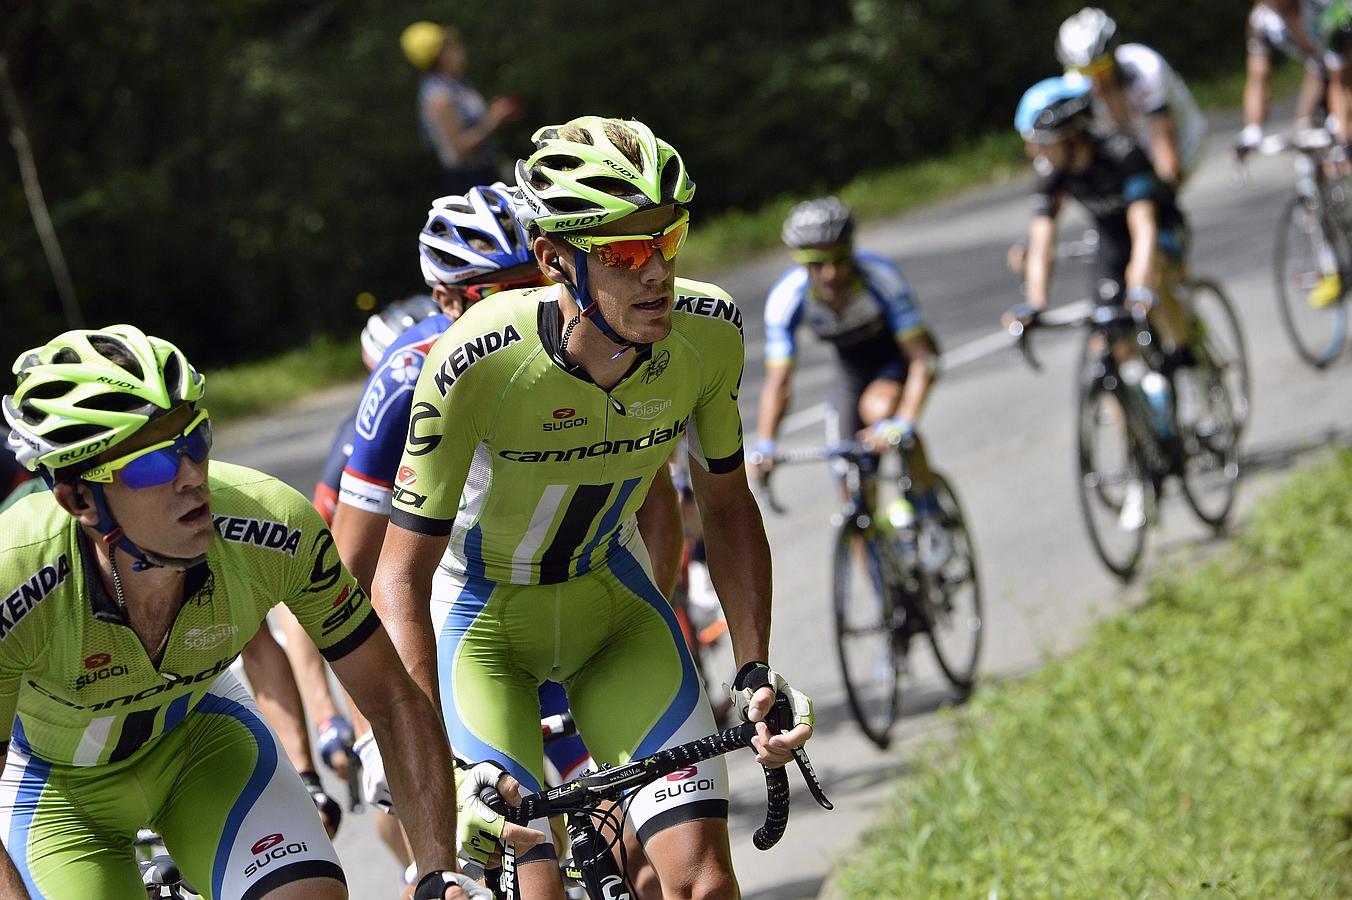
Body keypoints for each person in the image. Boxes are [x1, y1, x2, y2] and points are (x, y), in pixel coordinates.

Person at [371, 116, 814, 900]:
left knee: (703, 886)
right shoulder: (476, 359)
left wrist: (753, 667)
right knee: (532, 887)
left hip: (616, 615)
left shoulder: (707, 334)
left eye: (667, 239)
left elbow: (726, 505)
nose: (656, 274)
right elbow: (398, 578)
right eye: (622, 251)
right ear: (553, 259)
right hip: (483, 630)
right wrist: (433, 751)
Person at [0, 324, 517, 899]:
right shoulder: (14, 575)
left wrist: (434, 871)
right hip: (60, 799)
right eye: (151, 464)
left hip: (200, 747)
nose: (192, 476)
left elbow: (392, 698)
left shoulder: (271, 526)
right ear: (78, 499)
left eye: (194, 441)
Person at [327, 184, 679, 894]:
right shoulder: (409, 378)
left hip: (583, 616)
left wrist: (642, 637)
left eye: (536, 281)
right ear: (445, 300)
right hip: (468, 633)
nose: (527, 303)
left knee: (642, 859)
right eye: (496, 291)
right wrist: (375, 726)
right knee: (507, 868)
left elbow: (658, 511)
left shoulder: (597, 344)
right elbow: (339, 580)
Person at [1007, 77, 1195, 527]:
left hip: (1159, 228)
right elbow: (1042, 239)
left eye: (1040, 143)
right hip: (1112, 237)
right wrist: (1033, 301)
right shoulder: (1053, 171)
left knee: (1154, 283)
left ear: (1072, 136)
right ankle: (1139, 463)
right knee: (1106, 351)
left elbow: (1145, 230)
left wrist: (1141, 287)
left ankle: (1185, 351)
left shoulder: (1121, 154)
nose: (1035, 153)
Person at [749, 197, 947, 562]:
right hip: (850, 373)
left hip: (898, 360)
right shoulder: (787, 299)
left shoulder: (879, 278)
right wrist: (765, 445)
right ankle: (887, 595)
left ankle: (928, 508)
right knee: (850, 492)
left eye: (840, 259)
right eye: (816, 264)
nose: (830, 273)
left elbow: (923, 358)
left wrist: (902, 423)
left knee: (878, 408)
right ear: (800, 262)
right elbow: (779, 383)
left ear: (853, 251)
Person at [1055, 8, 1206, 190]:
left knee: (1158, 200)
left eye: (1101, 69)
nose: (1096, 80)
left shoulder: (1146, 68)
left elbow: (1163, 141)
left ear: (1114, 55)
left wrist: (1164, 191)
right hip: (1132, 151)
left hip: (1184, 142)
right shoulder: (1073, 84)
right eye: (1086, 72)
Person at [399, 21, 522, 195]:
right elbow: (459, 149)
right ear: (439, 56)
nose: (460, 52)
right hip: (468, 180)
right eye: (452, 48)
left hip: (485, 171)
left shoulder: (456, 85)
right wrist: (493, 119)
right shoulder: (440, 97)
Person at [1238, 1, 1351, 158]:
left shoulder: (1323, 8)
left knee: (1343, 136)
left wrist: (1343, 136)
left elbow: (1341, 83)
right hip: (1321, 71)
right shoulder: (1262, 20)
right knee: (1304, 132)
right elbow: (1257, 79)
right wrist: (1252, 131)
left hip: (1345, 68)